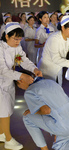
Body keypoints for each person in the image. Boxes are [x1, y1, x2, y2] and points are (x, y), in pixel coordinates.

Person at [14, 71, 69, 150]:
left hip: (63, 126)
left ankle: (44, 149)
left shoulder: (30, 91)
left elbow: (46, 111)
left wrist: (33, 111)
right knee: (59, 145)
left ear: (20, 80)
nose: (23, 88)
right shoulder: (51, 82)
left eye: (20, 87)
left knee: (27, 117)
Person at [0, 22, 42, 150]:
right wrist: (22, 76)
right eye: (15, 38)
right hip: (1, 82)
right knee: (4, 111)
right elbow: (3, 70)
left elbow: (23, 60)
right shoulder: (0, 48)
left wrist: (34, 69)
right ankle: (8, 139)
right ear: (7, 36)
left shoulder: (16, 47)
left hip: (8, 82)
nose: (18, 41)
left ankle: (2, 134)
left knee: (6, 109)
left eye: (20, 39)